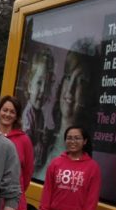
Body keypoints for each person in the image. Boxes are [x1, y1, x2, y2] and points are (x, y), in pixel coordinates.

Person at [35, 43, 96, 179]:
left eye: (81, 81)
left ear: (89, 93)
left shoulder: (87, 160)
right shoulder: (44, 141)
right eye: (68, 78)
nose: (70, 89)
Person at [21, 48, 55, 170]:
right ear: (29, 85)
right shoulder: (27, 116)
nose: (42, 91)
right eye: (39, 83)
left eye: (46, 85)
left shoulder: (39, 113)